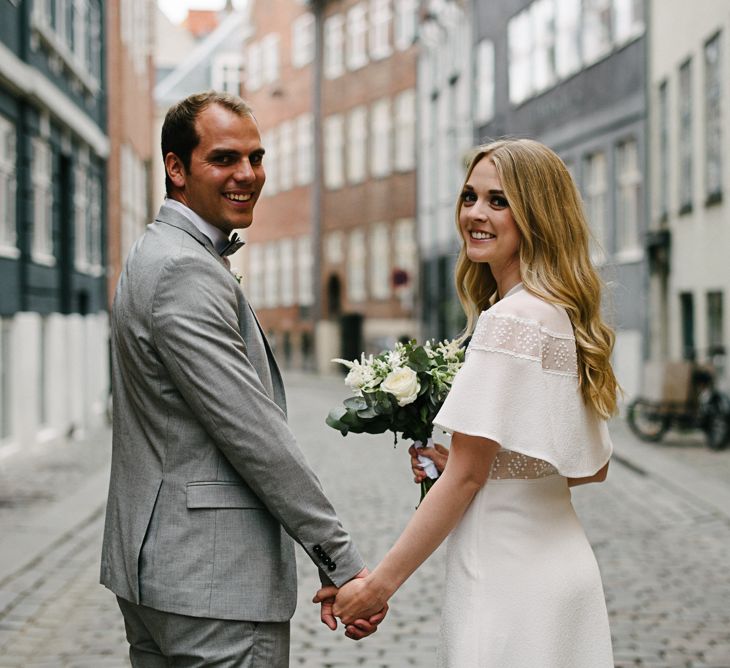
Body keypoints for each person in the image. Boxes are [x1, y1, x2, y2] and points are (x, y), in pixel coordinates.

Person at [101, 91, 384, 667]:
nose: (248, 175)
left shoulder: (154, 253)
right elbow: (254, 436)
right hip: (214, 587)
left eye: (256, 158)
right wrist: (343, 561)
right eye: (225, 159)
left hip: (158, 576)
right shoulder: (185, 270)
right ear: (175, 169)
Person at [315, 138, 617, 666]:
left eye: (499, 201)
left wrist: (377, 587)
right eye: (470, 196)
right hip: (564, 573)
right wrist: (479, 462)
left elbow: (466, 481)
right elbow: (591, 468)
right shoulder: (559, 314)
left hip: (505, 576)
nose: (476, 213)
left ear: (538, 215)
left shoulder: (509, 321)